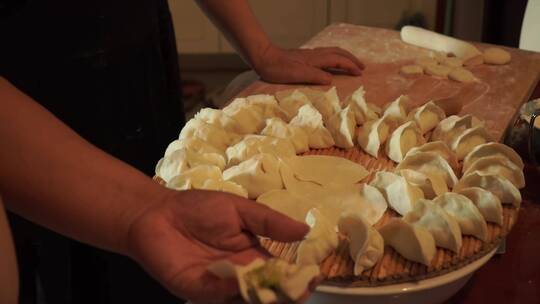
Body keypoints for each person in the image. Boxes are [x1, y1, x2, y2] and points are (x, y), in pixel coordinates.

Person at [0, 0, 364, 302]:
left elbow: (145, 217)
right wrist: (144, 213)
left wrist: (147, 211)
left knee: (155, 266)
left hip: (134, 51)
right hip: (28, 90)